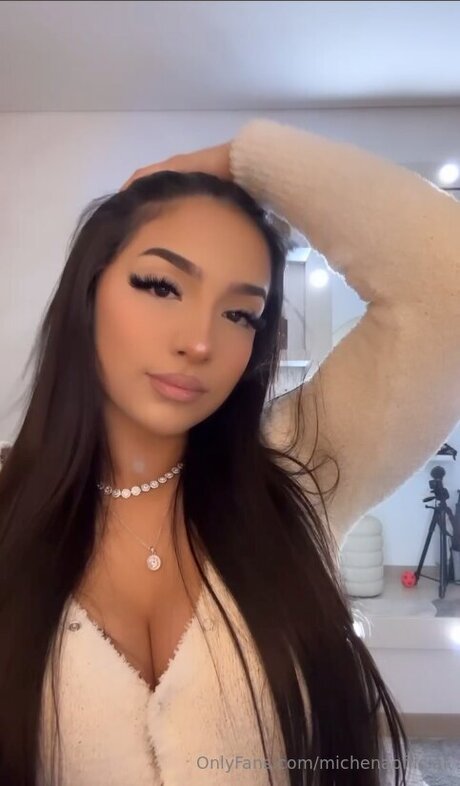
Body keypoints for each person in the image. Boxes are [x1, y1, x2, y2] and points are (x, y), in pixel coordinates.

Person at [1, 118, 458, 786]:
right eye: (161, 286)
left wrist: (243, 161)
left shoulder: (300, 465)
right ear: (87, 294)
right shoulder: (10, 510)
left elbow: (446, 281)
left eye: (241, 314)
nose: (200, 341)